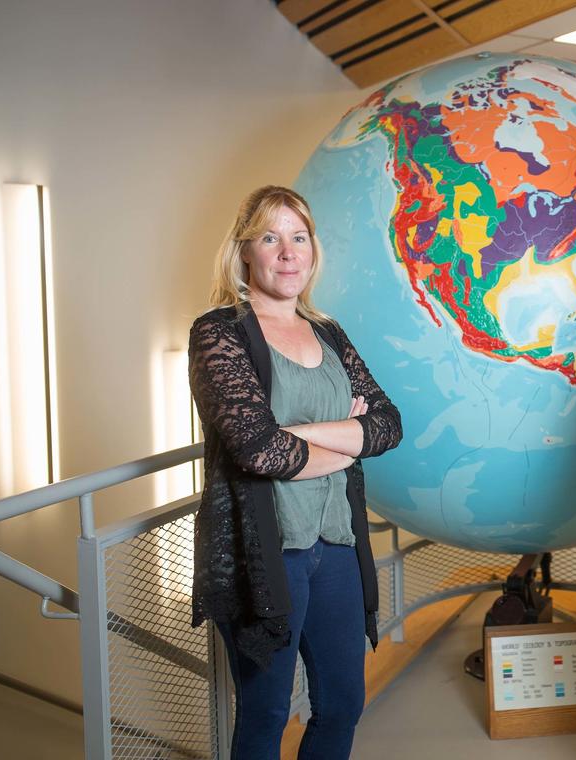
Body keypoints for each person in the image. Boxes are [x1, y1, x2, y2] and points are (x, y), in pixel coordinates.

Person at [188, 185, 402, 759]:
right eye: (270, 237)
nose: (288, 252)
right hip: (266, 554)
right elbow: (258, 452)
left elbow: (387, 425)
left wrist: (296, 435)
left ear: (313, 249)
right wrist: (343, 439)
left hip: (336, 545)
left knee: (342, 706)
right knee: (267, 713)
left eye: (299, 237)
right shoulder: (219, 332)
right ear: (246, 252)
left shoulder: (329, 332)